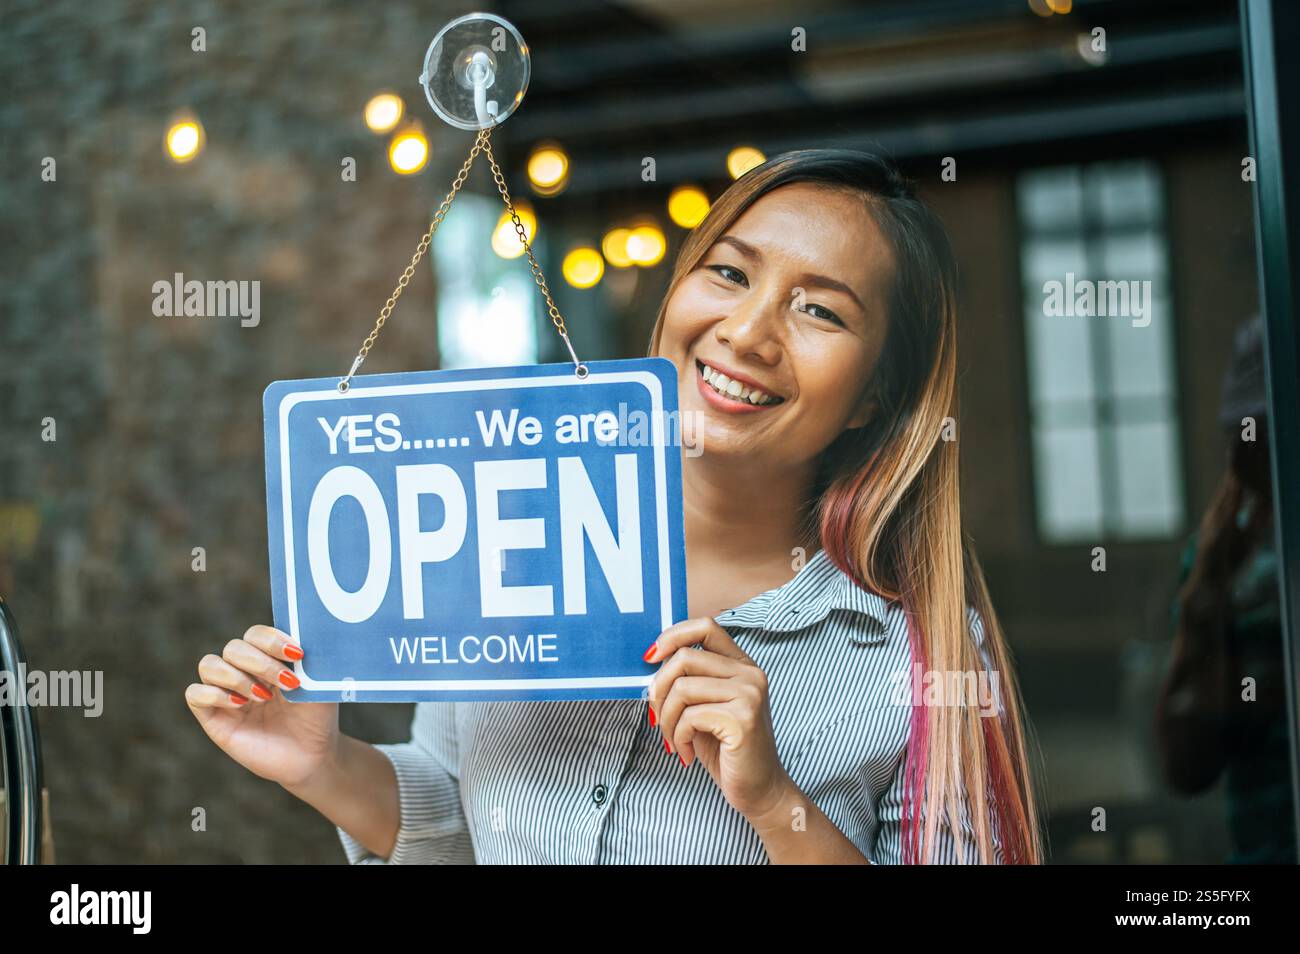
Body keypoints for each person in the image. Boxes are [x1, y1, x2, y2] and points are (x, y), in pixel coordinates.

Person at [185, 149, 1042, 864]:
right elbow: (455, 824)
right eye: (730, 273)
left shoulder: (918, 650)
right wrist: (325, 765)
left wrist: (776, 802)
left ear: (872, 397)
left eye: (819, 309)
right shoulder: (505, 542)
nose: (747, 332)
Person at [1155, 315, 1297, 863]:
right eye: (1236, 437)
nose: (1243, 459)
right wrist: (1204, 595)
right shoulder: (1223, 558)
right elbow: (1187, 766)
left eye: (1259, 435)